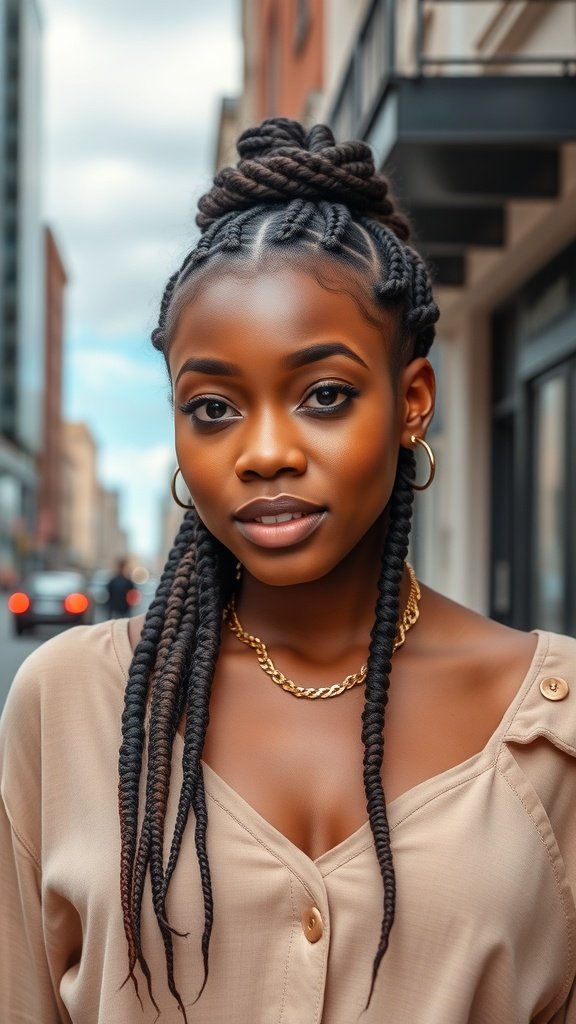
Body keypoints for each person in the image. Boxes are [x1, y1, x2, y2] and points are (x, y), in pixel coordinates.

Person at [1, 117, 575, 1024]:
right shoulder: (69, 702)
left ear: (412, 403)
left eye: (324, 395)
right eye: (215, 406)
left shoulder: (556, 728)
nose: (265, 452)